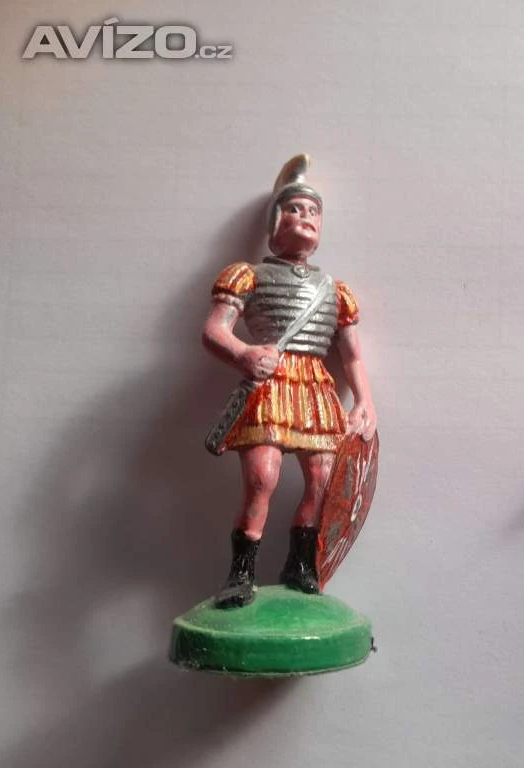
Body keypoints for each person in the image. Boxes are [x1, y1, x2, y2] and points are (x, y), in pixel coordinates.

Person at [202, 155, 376, 608]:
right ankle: (241, 573)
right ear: (275, 221)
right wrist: (243, 353)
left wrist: (364, 401)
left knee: (323, 479)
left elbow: (352, 354)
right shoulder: (248, 275)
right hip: (270, 386)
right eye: (295, 209)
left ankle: (300, 564)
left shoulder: (335, 291)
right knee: (262, 478)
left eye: (313, 211)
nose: (306, 217)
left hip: (315, 390)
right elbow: (215, 330)